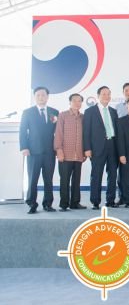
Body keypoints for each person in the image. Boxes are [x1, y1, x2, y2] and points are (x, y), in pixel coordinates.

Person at [19, 86, 58, 214]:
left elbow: (58, 133)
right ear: (35, 97)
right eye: (38, 95)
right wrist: (24, 147)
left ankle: (48, 204)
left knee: (48, 180)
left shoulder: (54, 112)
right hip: (33, 151)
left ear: (47, 97)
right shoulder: (27, 112)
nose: (41, 97)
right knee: (32, 179)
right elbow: (22, 131)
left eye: (43, 95)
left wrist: (58, 148)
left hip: (49, 152)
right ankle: (32, 204)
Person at [83, 86, 119, 210]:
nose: (106, 96)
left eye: (108, 94)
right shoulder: (90, 111)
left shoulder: (113, 111)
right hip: (97, 148)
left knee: (112, 174)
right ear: (98, 96)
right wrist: (87, 148)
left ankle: (110, 200)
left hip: (112, 146)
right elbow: (86, 131)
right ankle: (95, 201)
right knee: (96, 175)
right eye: (104, 94)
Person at [54, 93, 86, 211]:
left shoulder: (83, 117)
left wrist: (84, 152)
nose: (77, 103)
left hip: (79, 154)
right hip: (65, 154)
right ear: (70, 102)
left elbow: (86, 136)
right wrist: (59, 150)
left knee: (76, 181)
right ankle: (64, 204)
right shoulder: (63, 115)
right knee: (64, 180)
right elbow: (58, 133)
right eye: (74, 100)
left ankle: (75, 203)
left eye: (79, 101)